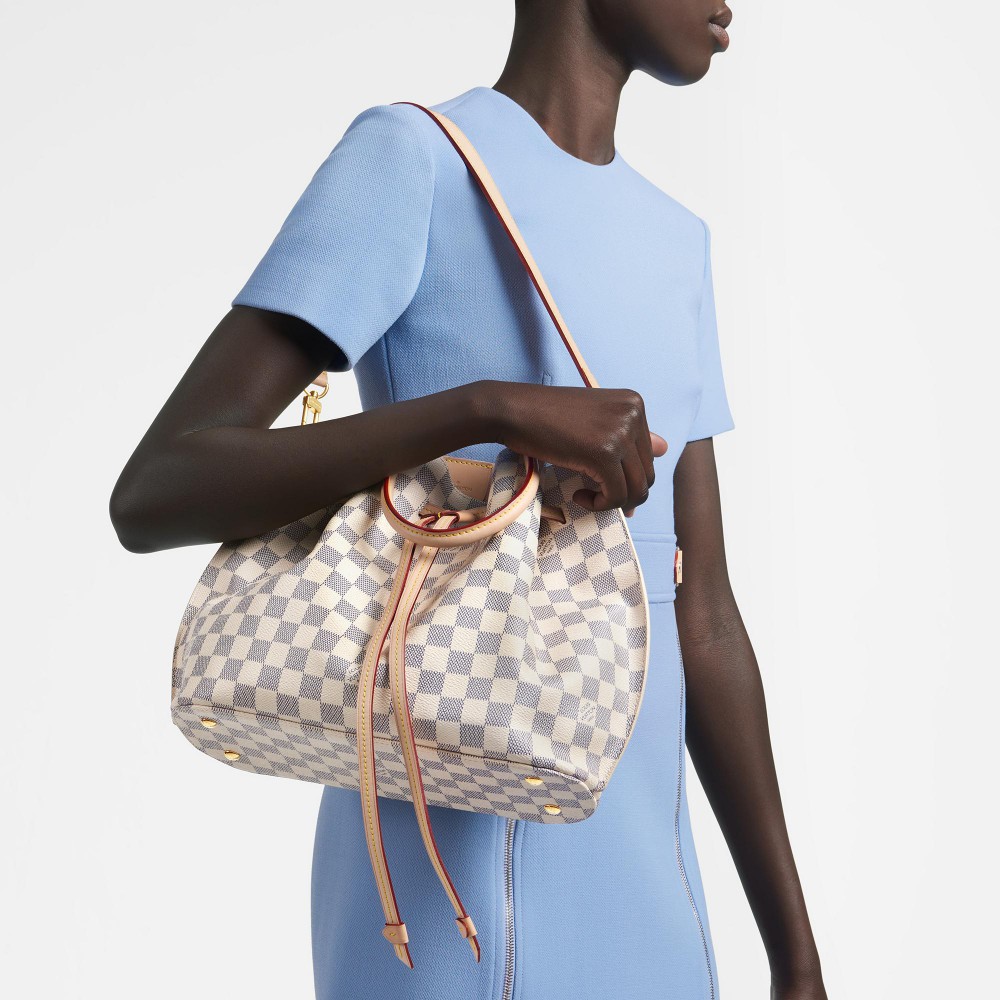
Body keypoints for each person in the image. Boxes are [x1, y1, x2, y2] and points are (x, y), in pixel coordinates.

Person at [110, 2, 828, 997]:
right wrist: (482, 409)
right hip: (439, 877)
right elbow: (158, 488)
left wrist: (794, 955)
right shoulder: (413, 160)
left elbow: (700, 611)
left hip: (648, 888)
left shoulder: (677, 242)